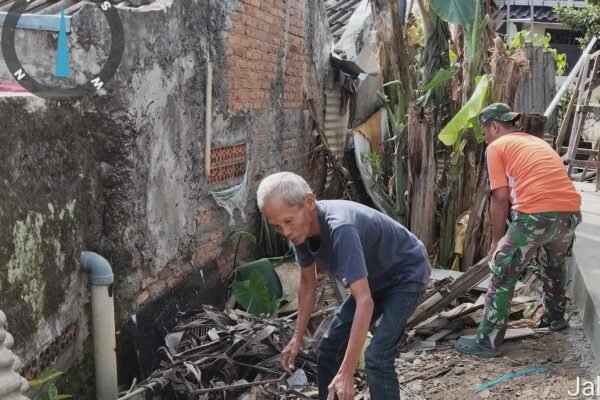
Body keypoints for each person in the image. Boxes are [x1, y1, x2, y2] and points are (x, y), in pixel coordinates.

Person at [256, 172, 431, 400]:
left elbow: (364, 301)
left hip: (406, 274)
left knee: (377, 356)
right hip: (373, 278)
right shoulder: (301, 231)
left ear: (309, 202)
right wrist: (296, 339)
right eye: (277, 226)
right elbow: (307, 284)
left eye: (288, 221)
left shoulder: (341, 227)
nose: (285, 232)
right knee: (329, 346)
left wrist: (346, 372)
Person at [455, 103, 582, 358]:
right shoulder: (537, 143)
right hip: (569, 214)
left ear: (494, 126)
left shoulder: (496, 147)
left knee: (502, 271)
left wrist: (496, 241)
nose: (486, 137)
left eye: (485, 131)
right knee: (553, 266)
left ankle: (487, 342)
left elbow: (500, 197)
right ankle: (556, 319)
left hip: (536, 216)